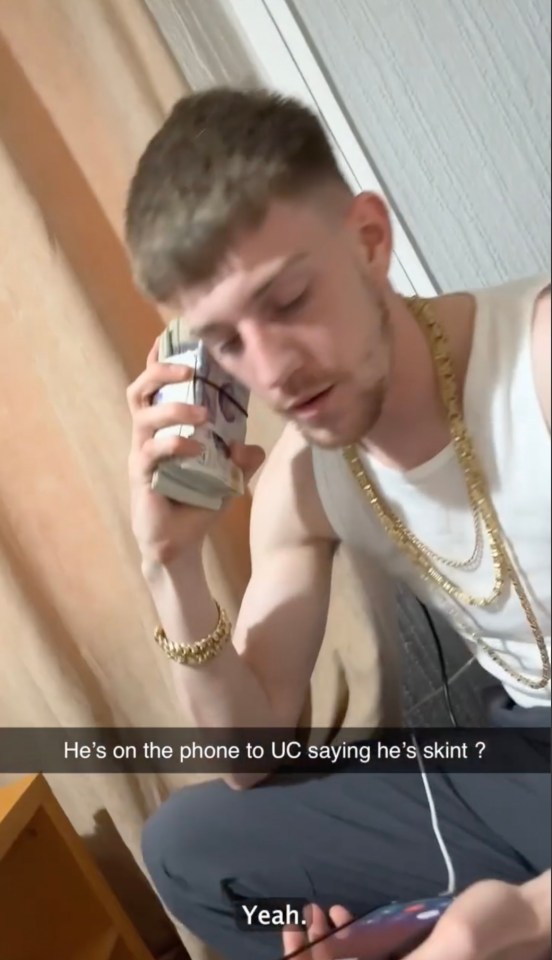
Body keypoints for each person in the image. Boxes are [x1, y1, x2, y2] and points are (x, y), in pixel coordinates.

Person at [123, 87, 551, 960]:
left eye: (287, 301)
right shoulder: (303, 484)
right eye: (227, 342)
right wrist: (171, 566)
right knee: (195, 853)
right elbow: (253, 759)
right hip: (519, 765)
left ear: (368, 240)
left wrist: (516, 925)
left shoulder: (537, 366)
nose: (273, 369)